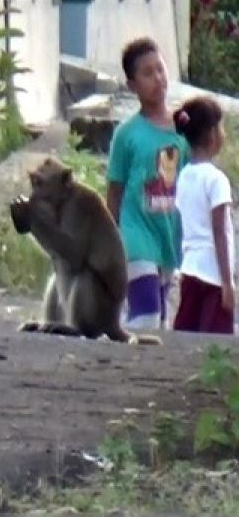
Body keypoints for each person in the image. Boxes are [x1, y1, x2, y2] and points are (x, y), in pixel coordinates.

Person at [106, 37, 191, 331]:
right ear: (132, 85)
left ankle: (140, 366)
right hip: (135, 235)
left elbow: (191, 178)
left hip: (168, 235)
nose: (157, 78)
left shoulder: (183, 129)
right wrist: (113, 238)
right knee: (147, 314)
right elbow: (114, 190)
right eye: (147, 73)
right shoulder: (127, 134)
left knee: (160, 317)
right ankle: (130, 371)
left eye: (160, 69)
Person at [172, 96, 235, 335]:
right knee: (216, 345)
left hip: (190, 269)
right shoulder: (216, 179)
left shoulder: (185, 175)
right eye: (220, 128)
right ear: (211, 135)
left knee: (187, 337)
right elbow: (219, 231)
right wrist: (228, 283)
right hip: (213, 273)